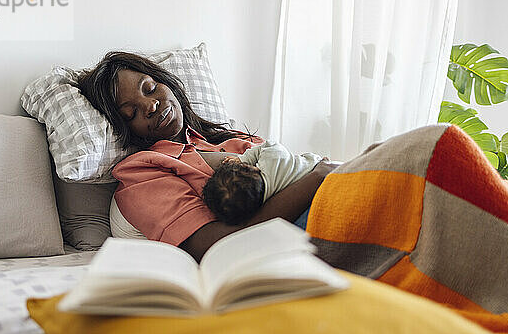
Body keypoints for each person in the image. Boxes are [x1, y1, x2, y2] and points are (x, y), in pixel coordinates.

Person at [78, 52, 337, 262]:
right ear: (122, 128)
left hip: (329, 197)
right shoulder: (141, 171)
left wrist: (323, 173)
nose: (150, 105)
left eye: (150, 88)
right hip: (298, 235)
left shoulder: (232, 140)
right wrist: (317, 178)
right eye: (130, 113)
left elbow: (293, 170)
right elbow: (215, 245)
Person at [201, 140, 337, 226]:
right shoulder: (271, 162)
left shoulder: (267, 200)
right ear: (252, 167)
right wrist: (243, 159)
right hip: (323, 169)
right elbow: (270, 145)